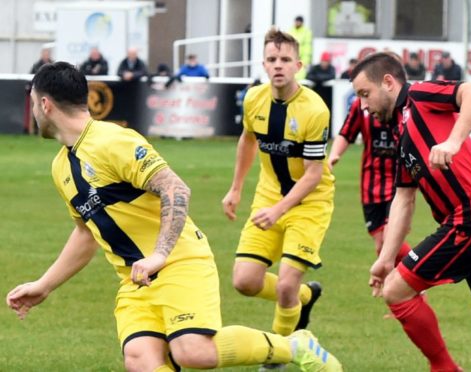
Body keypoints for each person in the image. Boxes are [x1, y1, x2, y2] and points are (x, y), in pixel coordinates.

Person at [6, 62, 343, 372]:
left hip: (179, 262)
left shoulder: (112, 141)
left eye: (34, 103)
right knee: (140, 358)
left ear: (46, 105)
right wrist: (44, 285)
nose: (34, 111)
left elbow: (176, 190)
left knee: (192, 351)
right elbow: (85, 233)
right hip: (136, 279)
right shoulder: (60, 166)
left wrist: (159, 255)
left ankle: (294, 345)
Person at [350, 52, 471, 371]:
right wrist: (385, 259)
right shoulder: (403, 136)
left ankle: (444, 368)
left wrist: (454, 141)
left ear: (388, 83)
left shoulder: (418, 95)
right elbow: (403, 200)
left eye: (365, 93)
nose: (363, 105)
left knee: (397, 292)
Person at [222, 27, 335, 363]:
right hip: (268, 197)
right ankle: (304, 296)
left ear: (298, 64)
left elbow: (313, 175)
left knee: (284, 286)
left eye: (285, 59)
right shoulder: (254, 98)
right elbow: (247, 140)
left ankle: (278, 356)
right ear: (264, 63)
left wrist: (280, 209)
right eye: (272, 59)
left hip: (309, 203)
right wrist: (236, 188)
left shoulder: (314, 110)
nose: (278, 65)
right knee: (244, 281)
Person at [328, 98, 411, 267]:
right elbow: (346, 133)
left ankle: (417, 277)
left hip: (400, 183)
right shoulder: (360, 105)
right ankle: (403, 287)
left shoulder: (404, 103)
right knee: (381, 245)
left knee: (390, 239)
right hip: (371, 185)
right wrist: (333, 156)